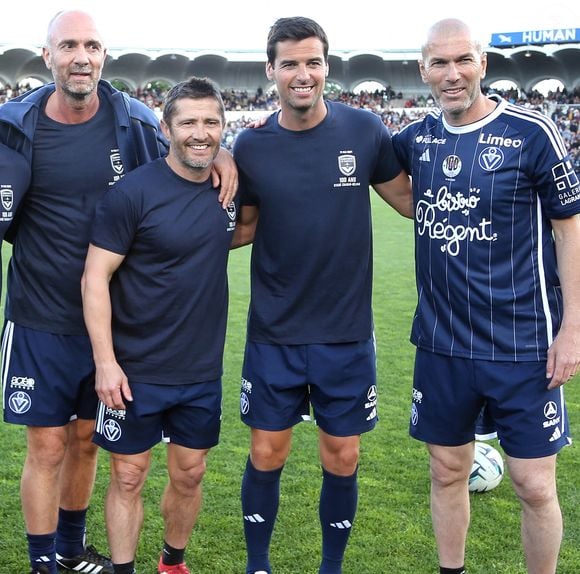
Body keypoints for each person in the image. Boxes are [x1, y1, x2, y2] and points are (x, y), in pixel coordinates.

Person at [0, 11, 236, 574]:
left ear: (103, 55)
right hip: (39, 317)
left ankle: (73, 548)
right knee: (47, 446)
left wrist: (224, 155)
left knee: (86, 442)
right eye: (68, 46)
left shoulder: (131, 122)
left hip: (112, 323)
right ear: (48, 54)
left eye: (93, 45)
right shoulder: (15, 124)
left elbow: (183, 165)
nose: (82, 56)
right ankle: (41, 562)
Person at [392, 18, 580, 574]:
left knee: (533, 485)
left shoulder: (531, 133)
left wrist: (572, 329)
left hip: (525, 343)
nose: (452, 75)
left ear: (483, 64)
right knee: (447, 471)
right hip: (443, 344)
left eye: (462, 61)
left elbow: (570, 229)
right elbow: (392, 188)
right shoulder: (416, 139)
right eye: (439, 63)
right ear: (423, 70)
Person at [232, 16, 412, 574]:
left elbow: (408, 201)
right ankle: (257, 565)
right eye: (289, 63)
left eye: (312, 62)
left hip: (346, 334)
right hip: (275, 332)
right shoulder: (252, 144)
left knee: (343, 456)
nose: (302, 74)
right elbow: (244, 227)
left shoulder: (364, 131)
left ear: (327, 68)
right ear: (271, 71)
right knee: (266, 453)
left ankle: (330, 567)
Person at [81, 76, 235, 574]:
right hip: (134, 370)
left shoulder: (229, 189)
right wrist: (105, 363)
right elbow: (95, 277)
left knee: (190, 473)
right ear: (166, 127)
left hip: (199, 370)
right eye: (188, 121)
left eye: (211, 122)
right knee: (128, 475)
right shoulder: (132, 194)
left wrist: (229, 162)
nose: (200, 132)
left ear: (223, 129)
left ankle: (172, 562)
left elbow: (250, 225)